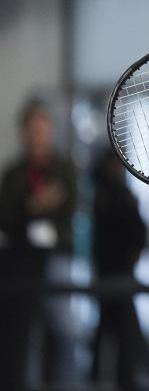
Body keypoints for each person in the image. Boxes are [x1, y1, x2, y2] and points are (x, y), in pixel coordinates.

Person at [0, 99, 78, 386]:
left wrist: (46, 205)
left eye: (42, 129)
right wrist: (32, 206)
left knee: (63, 329)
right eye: (32, 129)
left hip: (57, 256)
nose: (37, 135)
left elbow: (70, 207)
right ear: (23, 132)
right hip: (21, 261)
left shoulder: (63, 168)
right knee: (24, 333)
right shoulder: (13, 173)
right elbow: (6, 216)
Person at [90, 146, 149, 390]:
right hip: (107, 273)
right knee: (110, 330)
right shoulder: (103, 195)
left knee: (125, 331)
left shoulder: (122, 195)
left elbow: (139, 232)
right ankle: (102, 378)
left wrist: (134, 254)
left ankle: (124, 378)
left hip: (121, 274)